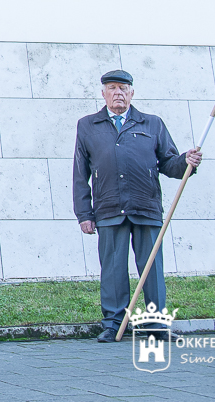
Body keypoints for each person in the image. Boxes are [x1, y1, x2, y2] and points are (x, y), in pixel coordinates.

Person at [73, 69, 202, 342]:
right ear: (103, 93)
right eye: (112, 88)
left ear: (132, 93)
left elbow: (169, 164)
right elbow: (79, 173)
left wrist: (185, 161)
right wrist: (84, 213)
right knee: (112, 269)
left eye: (123, 88)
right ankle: (113, 324)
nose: (118, 93)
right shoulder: (87, 126)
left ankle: (156, 325)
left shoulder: (152, 124)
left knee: (152, 269)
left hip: (147, 207)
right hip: (108, 209)